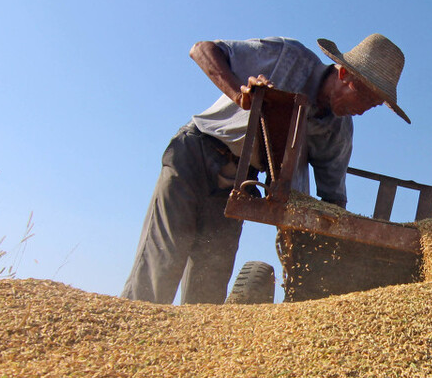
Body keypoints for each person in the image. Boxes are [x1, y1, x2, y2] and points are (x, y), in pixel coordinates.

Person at [121, 34, 410, 305]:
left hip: (241, 184)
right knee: (162, 262)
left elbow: (334, 199)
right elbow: (203, 49)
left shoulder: (338, 129)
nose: (361, 111)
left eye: (371, 106)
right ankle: (130, 340)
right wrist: (240, 94)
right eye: (363, 98)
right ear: (345, 74)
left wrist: (335, 254)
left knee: (208, 285)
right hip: (195, 154)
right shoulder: (290, 57)